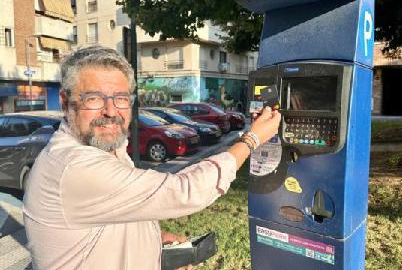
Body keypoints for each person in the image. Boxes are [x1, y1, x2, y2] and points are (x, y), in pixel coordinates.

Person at [23, 46, 281, 270]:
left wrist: (154, 240)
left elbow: (114, 217)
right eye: (93, 98)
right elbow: (183, 191)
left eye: (121, 99)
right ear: (66, 102)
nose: (111, 111)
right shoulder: (74, 167)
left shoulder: (105, 150)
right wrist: (251, 140)